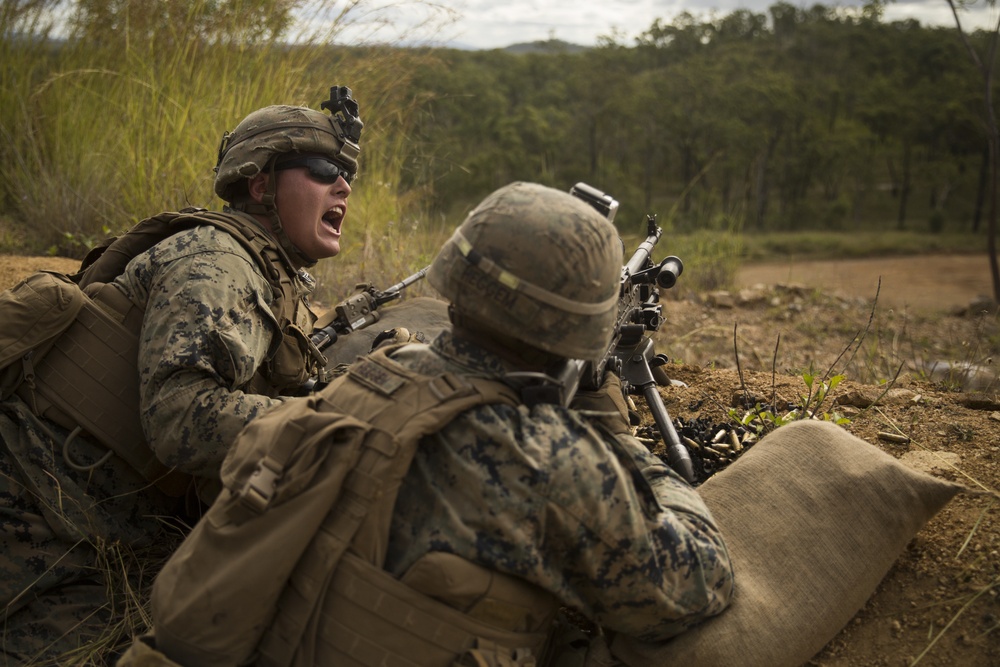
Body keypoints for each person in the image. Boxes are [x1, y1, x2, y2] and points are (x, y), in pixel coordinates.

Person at [133, 181, 734, 666]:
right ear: (582, 331)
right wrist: (618, 444)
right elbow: (696, 582)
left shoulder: (371, 377)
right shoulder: (549, 458)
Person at [0, 85, 363, 661]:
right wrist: (335, 424)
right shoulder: (217, 262)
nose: (343, 186)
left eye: (347, 175)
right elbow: (180, 416)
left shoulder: (268, 275)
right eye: (322, 169)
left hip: (93, 525)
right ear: (261, 184)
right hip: (38, 514)